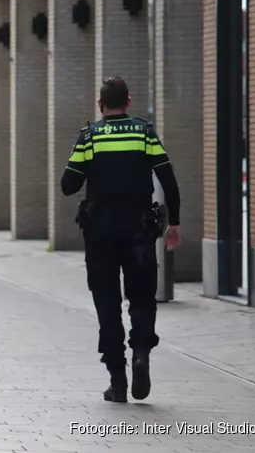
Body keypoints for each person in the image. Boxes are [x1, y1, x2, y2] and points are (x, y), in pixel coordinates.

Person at [61, 77, 182, 404]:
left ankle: (118, 381)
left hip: (100, 230)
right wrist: (175, 223)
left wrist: (88, 164)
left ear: (101, 105)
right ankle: (141, 352)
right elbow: (168, 180)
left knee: (107, 303)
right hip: (139, 228)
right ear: (128, 101)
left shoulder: (89, 137)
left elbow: (68, 185)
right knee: (142, 297)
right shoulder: (144, 133)